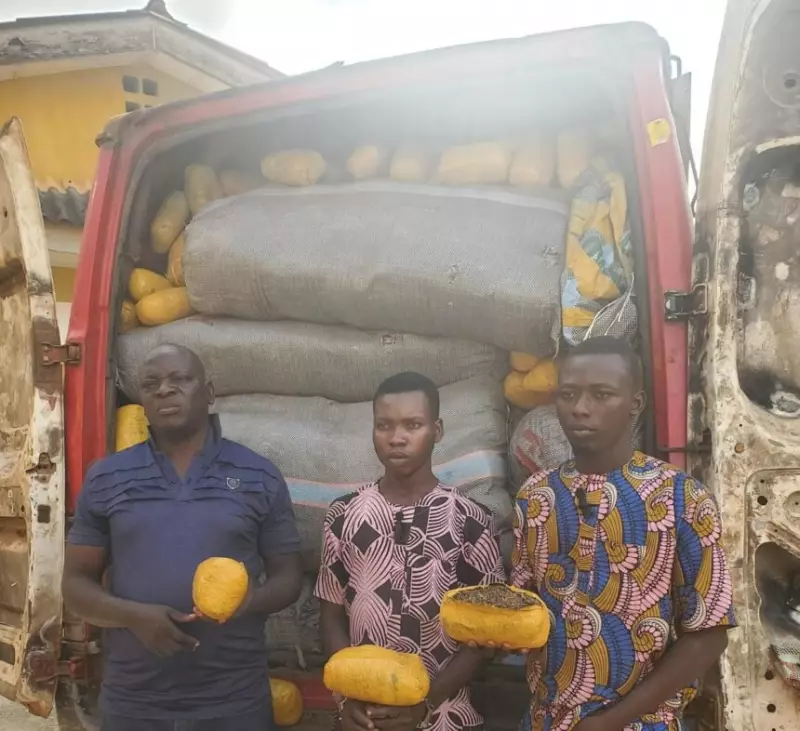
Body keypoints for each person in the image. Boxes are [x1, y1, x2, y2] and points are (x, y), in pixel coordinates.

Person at [63, 344, 304, 731]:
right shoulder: (107, 477)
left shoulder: (257, 474)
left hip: (235, 699)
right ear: (142, 402)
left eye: (180, 379)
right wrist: (133, 616)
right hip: (134, 700)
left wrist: (249, 602)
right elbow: (75, 584)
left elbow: (288, 576)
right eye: (151, 384)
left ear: (208, 394)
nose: (164, 390)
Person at [510, 336, 736, 731]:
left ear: (636, 402)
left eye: (602, 395)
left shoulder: (681, 497)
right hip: (546, 720)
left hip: (643, 723)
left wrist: (611, 721)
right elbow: (526, 611)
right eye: (568, 394)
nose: (581, 408)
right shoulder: (535, 496)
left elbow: (709, 632)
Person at [315, 371, 505, 731]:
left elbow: (484, 637)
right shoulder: (343, 515)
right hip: (363, 715)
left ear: (438, 430)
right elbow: (331, 615)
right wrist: (346, 697)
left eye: (413, 425)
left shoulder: (472, 521)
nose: (396, 438)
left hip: (445, 714)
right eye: (384, 425)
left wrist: (427, 704)